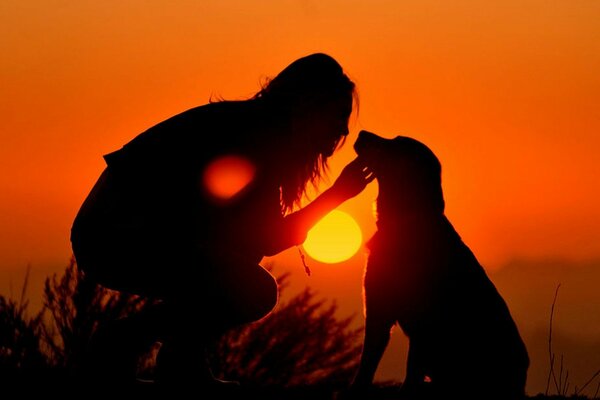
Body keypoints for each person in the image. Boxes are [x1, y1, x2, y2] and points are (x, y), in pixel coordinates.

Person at [70, 53, 374, 388]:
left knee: (239, 263)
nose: (335, 141)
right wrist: (337, 195)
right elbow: (269, 238)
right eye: (335, 120)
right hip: (116, 236)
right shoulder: (253, 138)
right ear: (306, 107)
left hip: (118, 232)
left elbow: (244, 237)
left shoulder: (248, 127)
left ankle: (180, 362)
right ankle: (124, 341)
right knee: (252, 289)